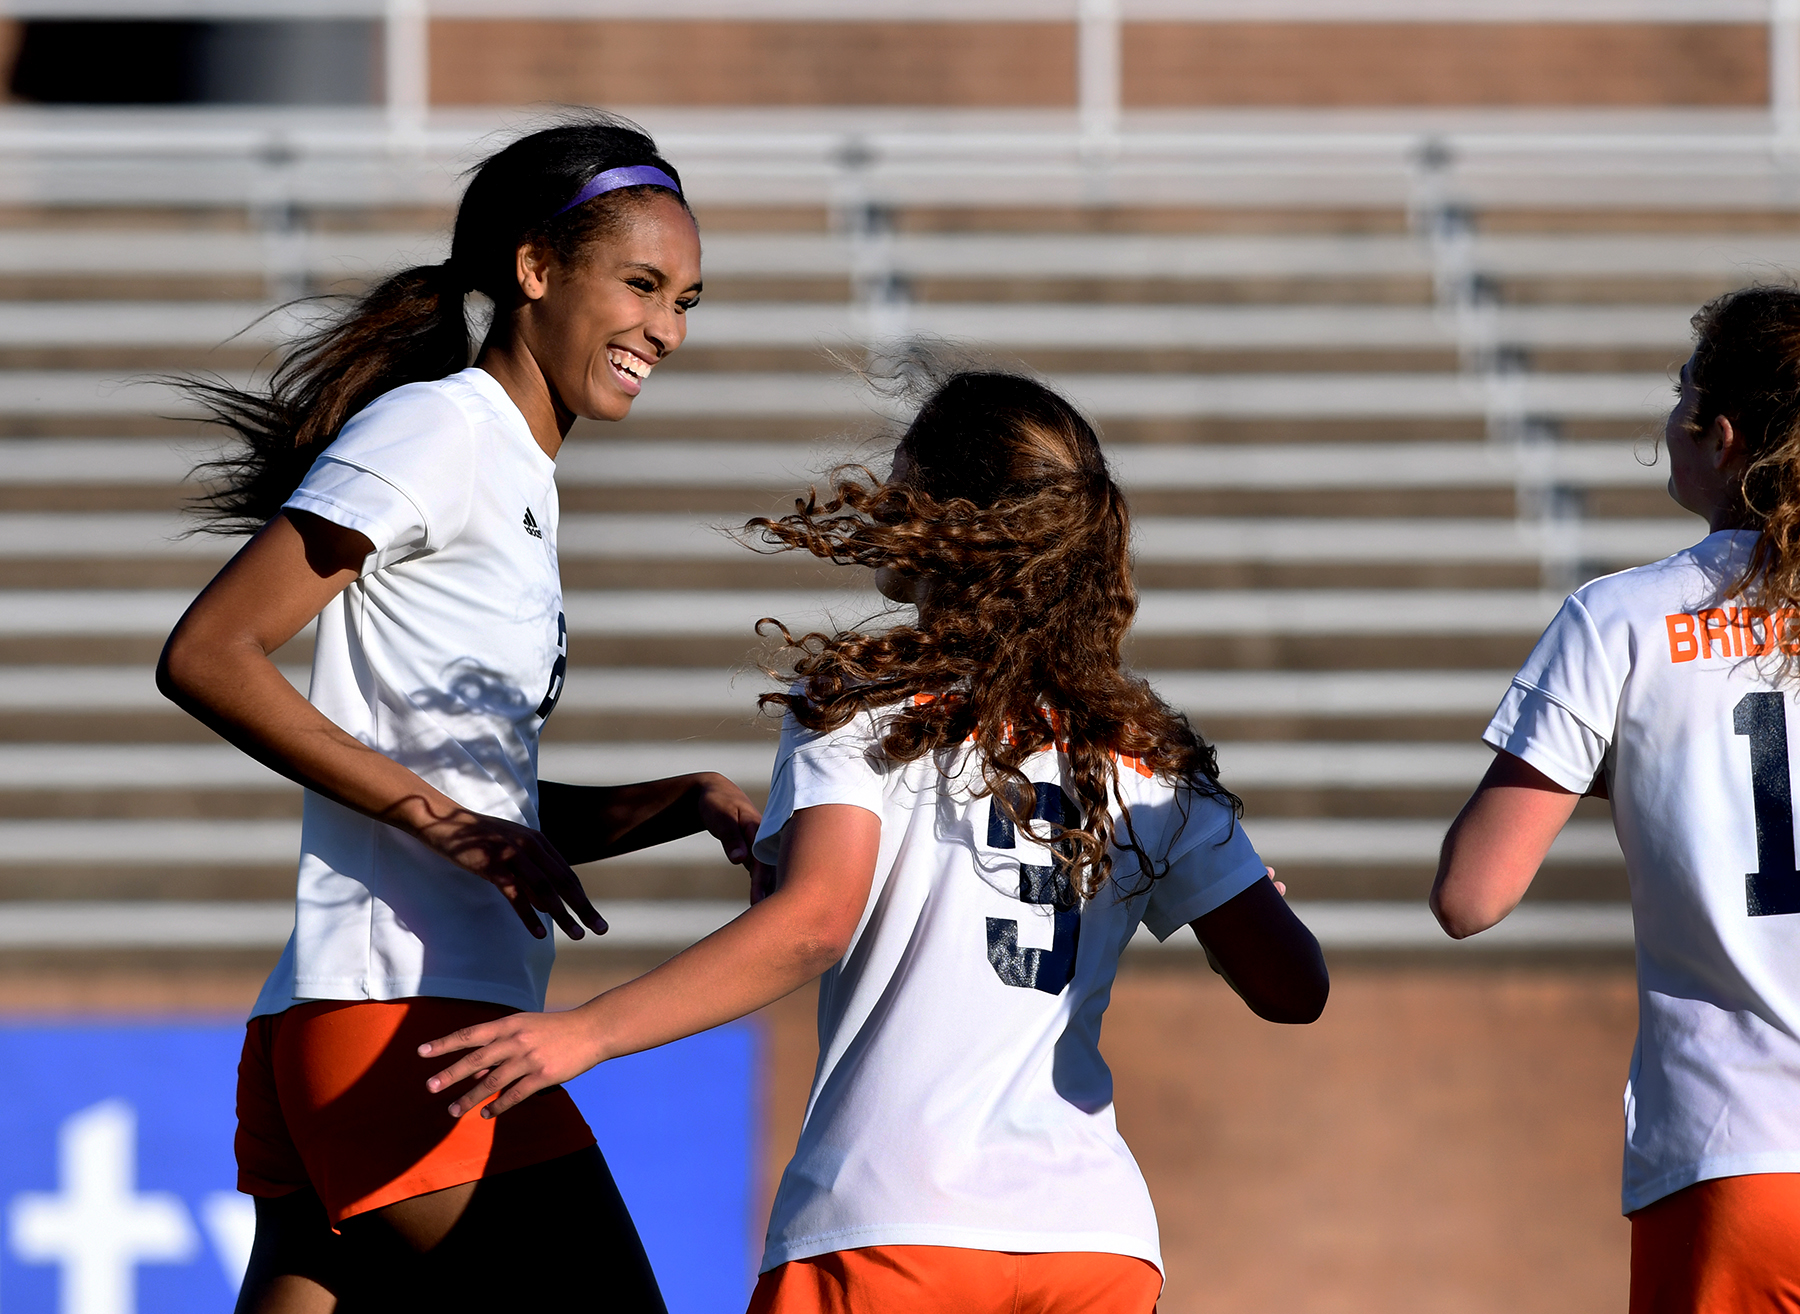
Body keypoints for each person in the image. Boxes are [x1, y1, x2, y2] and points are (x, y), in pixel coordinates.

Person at [418, 369, 1330, 1314]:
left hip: (893, 1224)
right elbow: (1294, 989)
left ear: (953, 519)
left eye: (903, 480)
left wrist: (585, 1033)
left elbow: (814, 926)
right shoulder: (1144, 750)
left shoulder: (862, 704)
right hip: (1094, 1243)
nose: (883, 502)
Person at [156, 116, 766, 1312]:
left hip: (334, 1025)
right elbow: (210, 652)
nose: (666, 329)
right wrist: (444, 820)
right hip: (410, 1025)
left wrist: (680, 803)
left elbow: (491, 817)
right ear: (534, 269)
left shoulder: (515, 473)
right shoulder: (443, 427)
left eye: (688, 299)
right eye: (640, 284)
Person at [1432, 285, 1800, 1312]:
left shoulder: (1622, 621)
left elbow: (1472, 894)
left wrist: (1617, 761)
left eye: (1681, 393)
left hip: (1736, 1162)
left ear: (1720, 437)